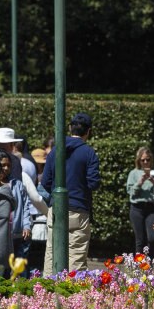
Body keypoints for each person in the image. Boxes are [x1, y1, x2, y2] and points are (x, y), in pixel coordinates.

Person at [41, 113, 101, 275]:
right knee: (76, 261)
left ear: (69, 128)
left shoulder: (55, 150)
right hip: (79, 210)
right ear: (88, 131)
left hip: (56, 210)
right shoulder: (89, 153)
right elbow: (94, 183)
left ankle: (45, 295)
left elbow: (45, 182)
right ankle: (74, 298)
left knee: (52, 256)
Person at [125, 146, 154, 255]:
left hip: (151, 208)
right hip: (137, 208)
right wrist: (140, 182)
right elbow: (131, 192)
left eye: (148, 159)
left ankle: (150, 263)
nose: (146, 162)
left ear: (151, 159)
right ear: (139, 160)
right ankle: (138, 266)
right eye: (143, 160)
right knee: (140, 240)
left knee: (152, 238)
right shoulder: (133, 173)